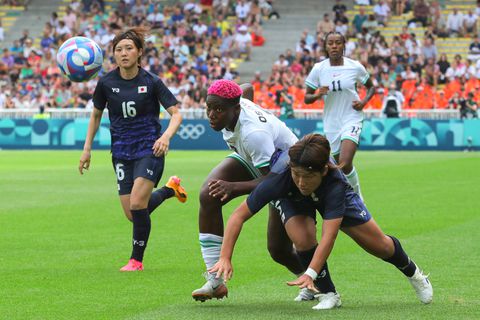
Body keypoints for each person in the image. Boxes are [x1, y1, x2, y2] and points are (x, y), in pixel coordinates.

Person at [210, 133, 433, 310]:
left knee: (379, 245)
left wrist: (310, 272)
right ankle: (329, 294)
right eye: (297, 175)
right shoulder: (282, 178)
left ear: (324, 170)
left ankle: (414, 273)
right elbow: (238, 215)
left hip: (329, 196)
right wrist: (225, 257)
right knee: (302, 237)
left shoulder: (335, 183)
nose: (301, 182)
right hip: (293, 200)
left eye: (308, 177)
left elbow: (330, 236)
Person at [78, 27, 187, 272]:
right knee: (133, 213)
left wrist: (166, 137)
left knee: (138, 204)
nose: (123, 53)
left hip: (150, 149)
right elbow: (96, 115)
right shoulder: (106, 82)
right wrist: (87, 149)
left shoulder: (151, 82)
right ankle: (170, 189)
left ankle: (136, 261)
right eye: (118, 50)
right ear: (113, 55)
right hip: (120, 152)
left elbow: (177, 114)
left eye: (129, 48)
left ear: (139, 53)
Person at [192, 79, 308, 302]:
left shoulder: (253, 134)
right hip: (254, 160)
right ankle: (215, 281)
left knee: (278, 250)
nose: (211, 114)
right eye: (209, 107)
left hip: (284, 171)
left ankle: (313, 281)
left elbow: (271, 181)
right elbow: (246, 87)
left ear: (236, 109)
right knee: (209, 194)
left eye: (218, 109)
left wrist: (233, 187)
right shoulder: (236, 104)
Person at [304, 31, 374, 200]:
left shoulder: (354, 66)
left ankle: (355, 199)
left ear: (344, 45)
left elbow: (371, 87)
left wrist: (363, 102)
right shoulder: (319, 68)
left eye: (338, 43)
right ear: (326, 47)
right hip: (331, 122)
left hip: (352, 116)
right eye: (330, 43)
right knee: (341, 166)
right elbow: (307, 98)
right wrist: (317, 94)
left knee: (344, 162)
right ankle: (356, 197)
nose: (334, 46)